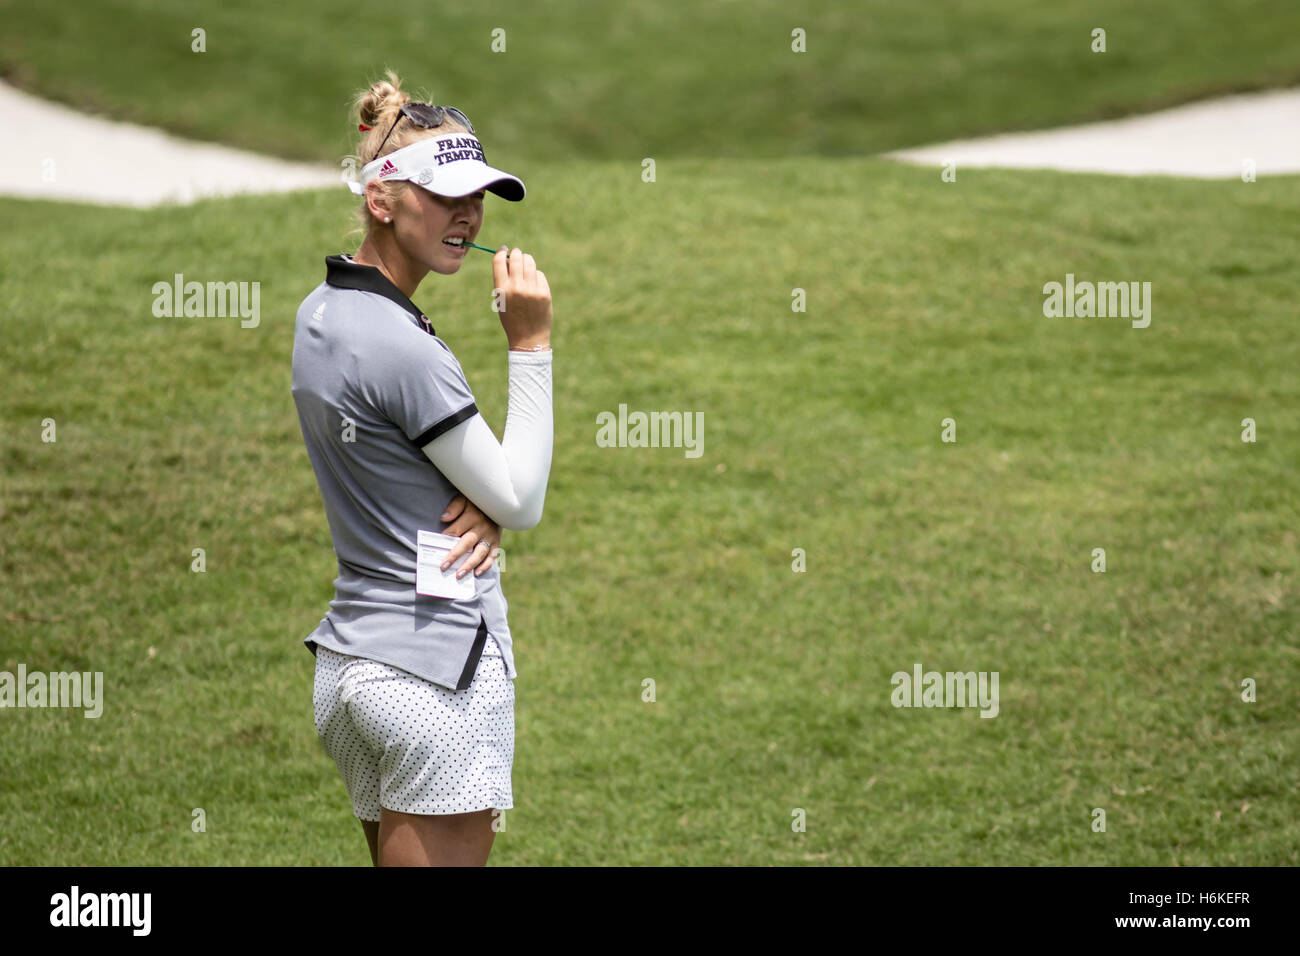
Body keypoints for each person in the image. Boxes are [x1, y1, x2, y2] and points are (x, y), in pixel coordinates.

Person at [290, 71, 553, 866]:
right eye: (444, 195)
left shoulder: (321, 312)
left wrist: (477, 501)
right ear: (382, 200)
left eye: (476, 196)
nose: (467, 214)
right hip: (436, 677)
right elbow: (522, 495)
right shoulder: (405, 346)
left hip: (351, 673)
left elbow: (379, 456)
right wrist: (531, 346)